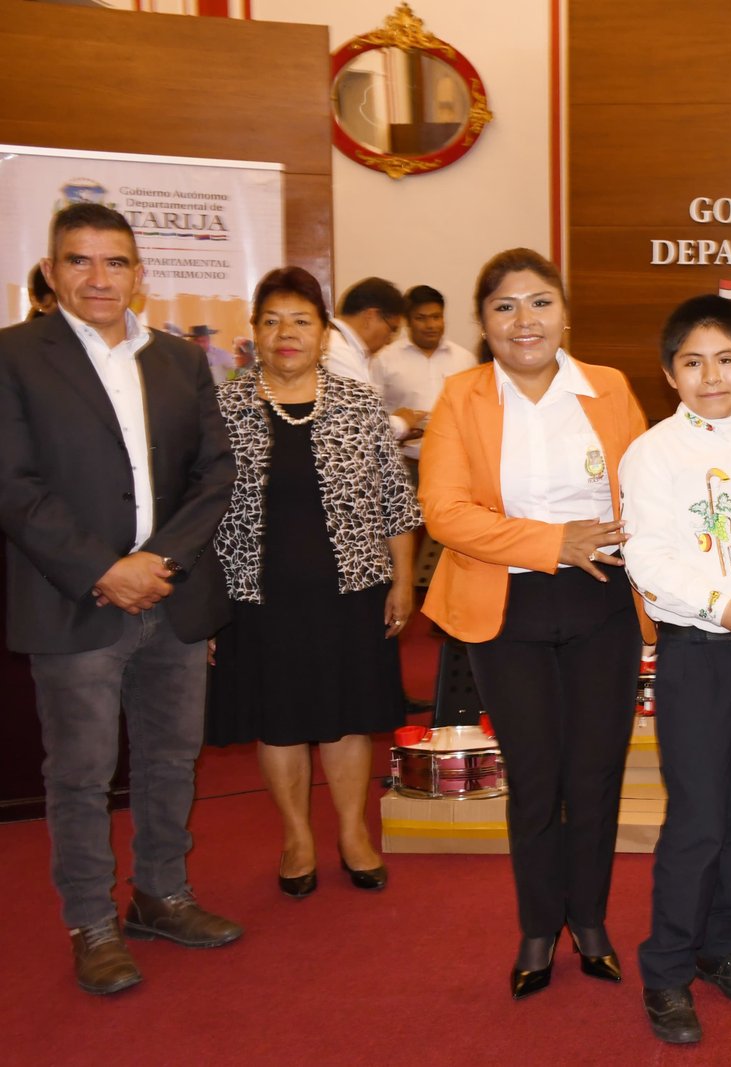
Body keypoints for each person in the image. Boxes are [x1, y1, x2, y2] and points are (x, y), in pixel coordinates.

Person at [0, 203, 241, 996]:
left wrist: (157, 561)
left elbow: (214, 472)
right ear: (51, 271)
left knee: (171, 757)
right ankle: (92, 922)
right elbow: (13, 485)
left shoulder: (179, 359)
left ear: (140, 274)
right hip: (75, 602)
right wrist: (106, 569)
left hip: (174, 594)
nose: (99, 277)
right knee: (81, 772)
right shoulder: (13, 356)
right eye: (80, 260)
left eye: (115, 262)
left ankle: (162, 894)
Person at [418, 247, 652, 1001]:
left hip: (602, 603)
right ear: (484, 323)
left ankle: (589, 919)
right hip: (507, 605)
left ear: (565, 314)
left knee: (596, 772)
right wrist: (555, 542)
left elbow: (646, 490)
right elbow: (445, 513)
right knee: (535, 776)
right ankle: (537, 926)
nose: (525, 320)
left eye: (540, 302)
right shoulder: (461, 396)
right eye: (505, 306)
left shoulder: (608, 388)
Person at [207, 266, 421, 897]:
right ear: (254, 332)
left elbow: (395, 501)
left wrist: (403, 582)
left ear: (324, 333)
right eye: (272, 321)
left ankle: (353, 833)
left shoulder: (358, 404)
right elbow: (201, 513)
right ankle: (297, 837)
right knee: (278, 720)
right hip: (257, 594)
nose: (286, 334)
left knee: (347, 717)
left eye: (301, 321)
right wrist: (205, 608)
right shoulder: (223, 409)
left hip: (350, 590)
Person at [621, 295, 731, 1045]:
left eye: (726, 359)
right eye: (693, 362)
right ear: (670, 374)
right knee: (695, 820)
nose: (711, 375)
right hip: (699, 652)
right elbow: (648, 559)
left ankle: (720, 947)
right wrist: (728, 611)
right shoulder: (653, 452)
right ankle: (666, 971)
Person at [370, 284, 477, 464]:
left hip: (455, 463)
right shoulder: (384, 359)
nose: (431, 325)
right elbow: (372, 415)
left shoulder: (465, 359)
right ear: (408, 321)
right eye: (421, 318)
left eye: (436, 317)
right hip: (404, 463)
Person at [322, 276, 422, 441]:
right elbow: (362, 425)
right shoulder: (336, 350)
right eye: (392, 330)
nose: (389, 341)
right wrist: (403, 422)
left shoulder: (346, 348)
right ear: (370, 317)